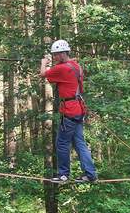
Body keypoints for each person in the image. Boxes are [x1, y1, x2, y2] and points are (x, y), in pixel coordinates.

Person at [40, 39, 97, 183]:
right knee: (79, 143)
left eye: (55, 55)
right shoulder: (75, 66)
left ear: (62, 54)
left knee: (62, 143)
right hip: (78, 109)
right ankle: (90, 174)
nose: (54, 58)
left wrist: (43, 63)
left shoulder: (62, 69)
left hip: (70, 111)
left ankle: (63, 174)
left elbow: (43, 74)